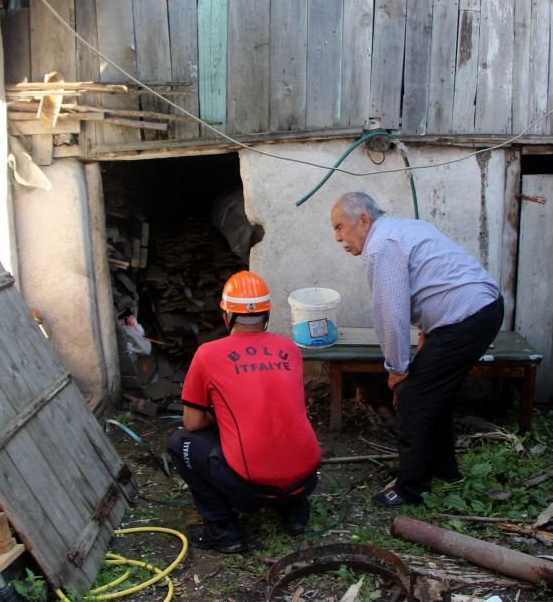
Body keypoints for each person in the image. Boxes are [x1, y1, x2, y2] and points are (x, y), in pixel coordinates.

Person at [330, 192, 503, 507]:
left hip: (466, 317)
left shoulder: (380, 245)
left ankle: (411, 488)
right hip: (478, 311)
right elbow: (435, 283)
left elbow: (390, 313)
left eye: (340, 227)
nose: (338, 237)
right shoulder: (402, 228)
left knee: (413, 396)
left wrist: (398, 369)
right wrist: (424, 337)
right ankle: (444, 471)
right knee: (434, 394)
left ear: (363, 220)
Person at [167, 271, 321, 553]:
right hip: (306, 479)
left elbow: (193, 422)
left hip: (252, 491)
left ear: (226, 316)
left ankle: (223, 530)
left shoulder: (207, 354)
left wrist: (218, 416)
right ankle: (295, 511)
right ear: (267, 315)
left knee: (181, 442)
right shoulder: (289, 348)